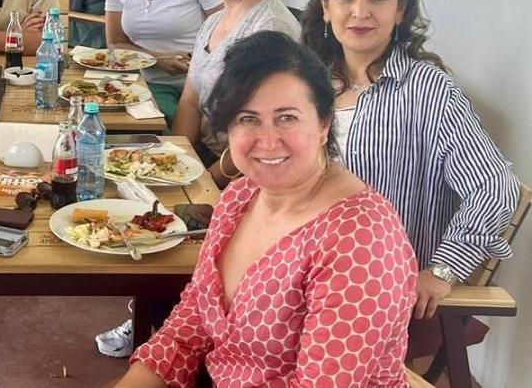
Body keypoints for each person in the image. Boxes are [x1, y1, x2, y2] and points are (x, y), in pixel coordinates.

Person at [116, 31, 418, 387]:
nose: (268, 141)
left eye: (287, 117)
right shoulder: (240, 197)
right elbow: (193, 320)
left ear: (324, 124)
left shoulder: (361, 239)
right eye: (248, 119)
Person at [302, 0, 519, 324]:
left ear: (400, 9)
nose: (360, 12)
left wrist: (443, 270)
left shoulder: (429, 91)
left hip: (380, 298)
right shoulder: (309, 81)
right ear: (326, 7)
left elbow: (495, 188)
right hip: (303, 275)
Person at [172, 0, 301, 179]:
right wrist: (174, 161)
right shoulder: (214, 21)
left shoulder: (271, 29)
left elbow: (260, 134)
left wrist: (206, 182)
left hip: (245, 173)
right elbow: (190, 101)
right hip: (204, 159)